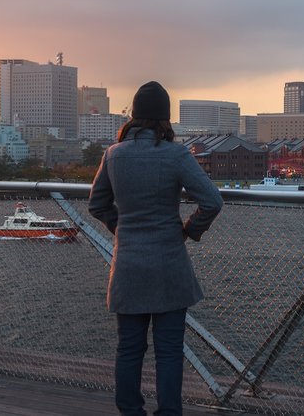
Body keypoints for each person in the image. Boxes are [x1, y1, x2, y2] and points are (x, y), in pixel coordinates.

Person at [89, 81, 223, 416]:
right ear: (165, 119)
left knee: (129, 349)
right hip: (168, 264)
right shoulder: (176, 154)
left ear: (133, 117)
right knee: (168, 351)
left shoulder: (113, 155)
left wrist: (119, 227)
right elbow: (211, 201)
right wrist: (189, 230)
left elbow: (97, 204)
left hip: (129, 265)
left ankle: (131, 411)